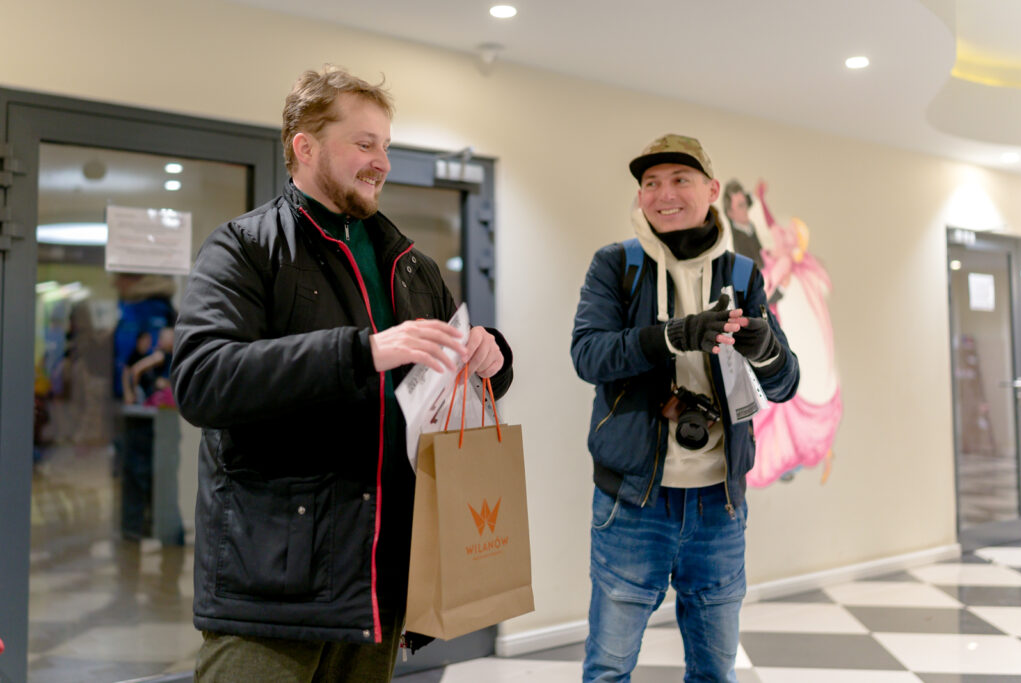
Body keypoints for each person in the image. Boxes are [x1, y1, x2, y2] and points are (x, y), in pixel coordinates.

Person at [171, 66, 513, 682]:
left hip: (379, 582)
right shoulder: (244, 248)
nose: (382, 162)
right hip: (275, 591)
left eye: (386, 145)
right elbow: (202, 378)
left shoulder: (411, 266)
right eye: (364, 143)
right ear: (305, 147)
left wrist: (489, 358)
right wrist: (361, 353)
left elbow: (439, 392)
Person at [570, 134, 799, 682]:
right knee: (608, 669)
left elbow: (786, 384)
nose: (664, 193)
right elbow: (588, 355)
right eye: (651, 183)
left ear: (712, 190)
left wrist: (766, 348)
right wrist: (671, 336)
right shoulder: (616, 265)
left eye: (680, 180)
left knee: (715, 672)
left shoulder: (742, 274)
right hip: (632, 502)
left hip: (720, 504)